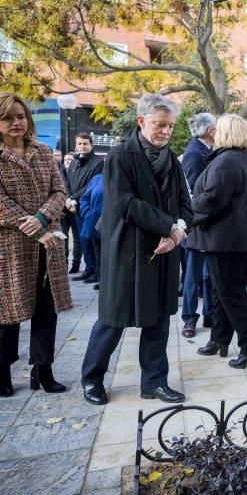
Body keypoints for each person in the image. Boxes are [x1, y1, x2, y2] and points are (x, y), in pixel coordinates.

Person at [81, 94, 192, 406]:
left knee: (158, 319)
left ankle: (154, 382)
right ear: (142, 121)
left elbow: (186, 204)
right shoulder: (119, 156)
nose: (166, 131)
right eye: (160, 125)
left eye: (170, 126)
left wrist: (179, 231)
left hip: (164, 250)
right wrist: (167, 226)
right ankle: (92, 378)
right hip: (127, 249)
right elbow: (123, 203)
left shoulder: (171, 159)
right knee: (114, 317)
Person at [0, 93, 73, 397]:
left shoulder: (43, 151)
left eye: (20, 116)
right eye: (7, 117)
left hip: (49, 241)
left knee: (47, 309)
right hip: (10, 245)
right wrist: (27, 223)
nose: (16, 123)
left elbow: (59, 191)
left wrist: (42, 217)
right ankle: (2, 369)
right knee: (9, 311)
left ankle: (42, 370)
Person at [191, 114, 247, 369]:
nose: (213, 132)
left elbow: (212, 199)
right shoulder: (237, 158)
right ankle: (219, 339)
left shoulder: (226, 161)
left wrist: (186, 213)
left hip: (226, 240)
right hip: (231, 238)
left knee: (230, 293)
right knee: (219, 290)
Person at [180, 112, 216, 338]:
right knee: (193, 275)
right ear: (210, 131)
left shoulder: (206, 150)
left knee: (208, 274)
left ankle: (209, 314)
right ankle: (189, 319)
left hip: (208, 224)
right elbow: (195, 193)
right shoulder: (195, 153)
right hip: (197, 224)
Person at [66, 133, 103, 282]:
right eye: (80, 143)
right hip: (73, 207)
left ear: (91, 145)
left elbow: (92, 186)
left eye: (85, 143)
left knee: (92, 240)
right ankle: (88, 268)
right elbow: (67, 182)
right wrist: (69, 199)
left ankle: (96, 271)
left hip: (88, 208)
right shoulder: (74, 162)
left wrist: (72, 199)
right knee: (82, 240)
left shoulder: (98, 163)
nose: (82, 146)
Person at [78, 173, 103, 290]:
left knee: (109, 253)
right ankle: (100, 279)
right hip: (94, 221)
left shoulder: (121, 176)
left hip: (112, 223)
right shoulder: (97, 178)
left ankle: (106, 281)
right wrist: (87, 212)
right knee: (98, 251)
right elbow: (84, 197)